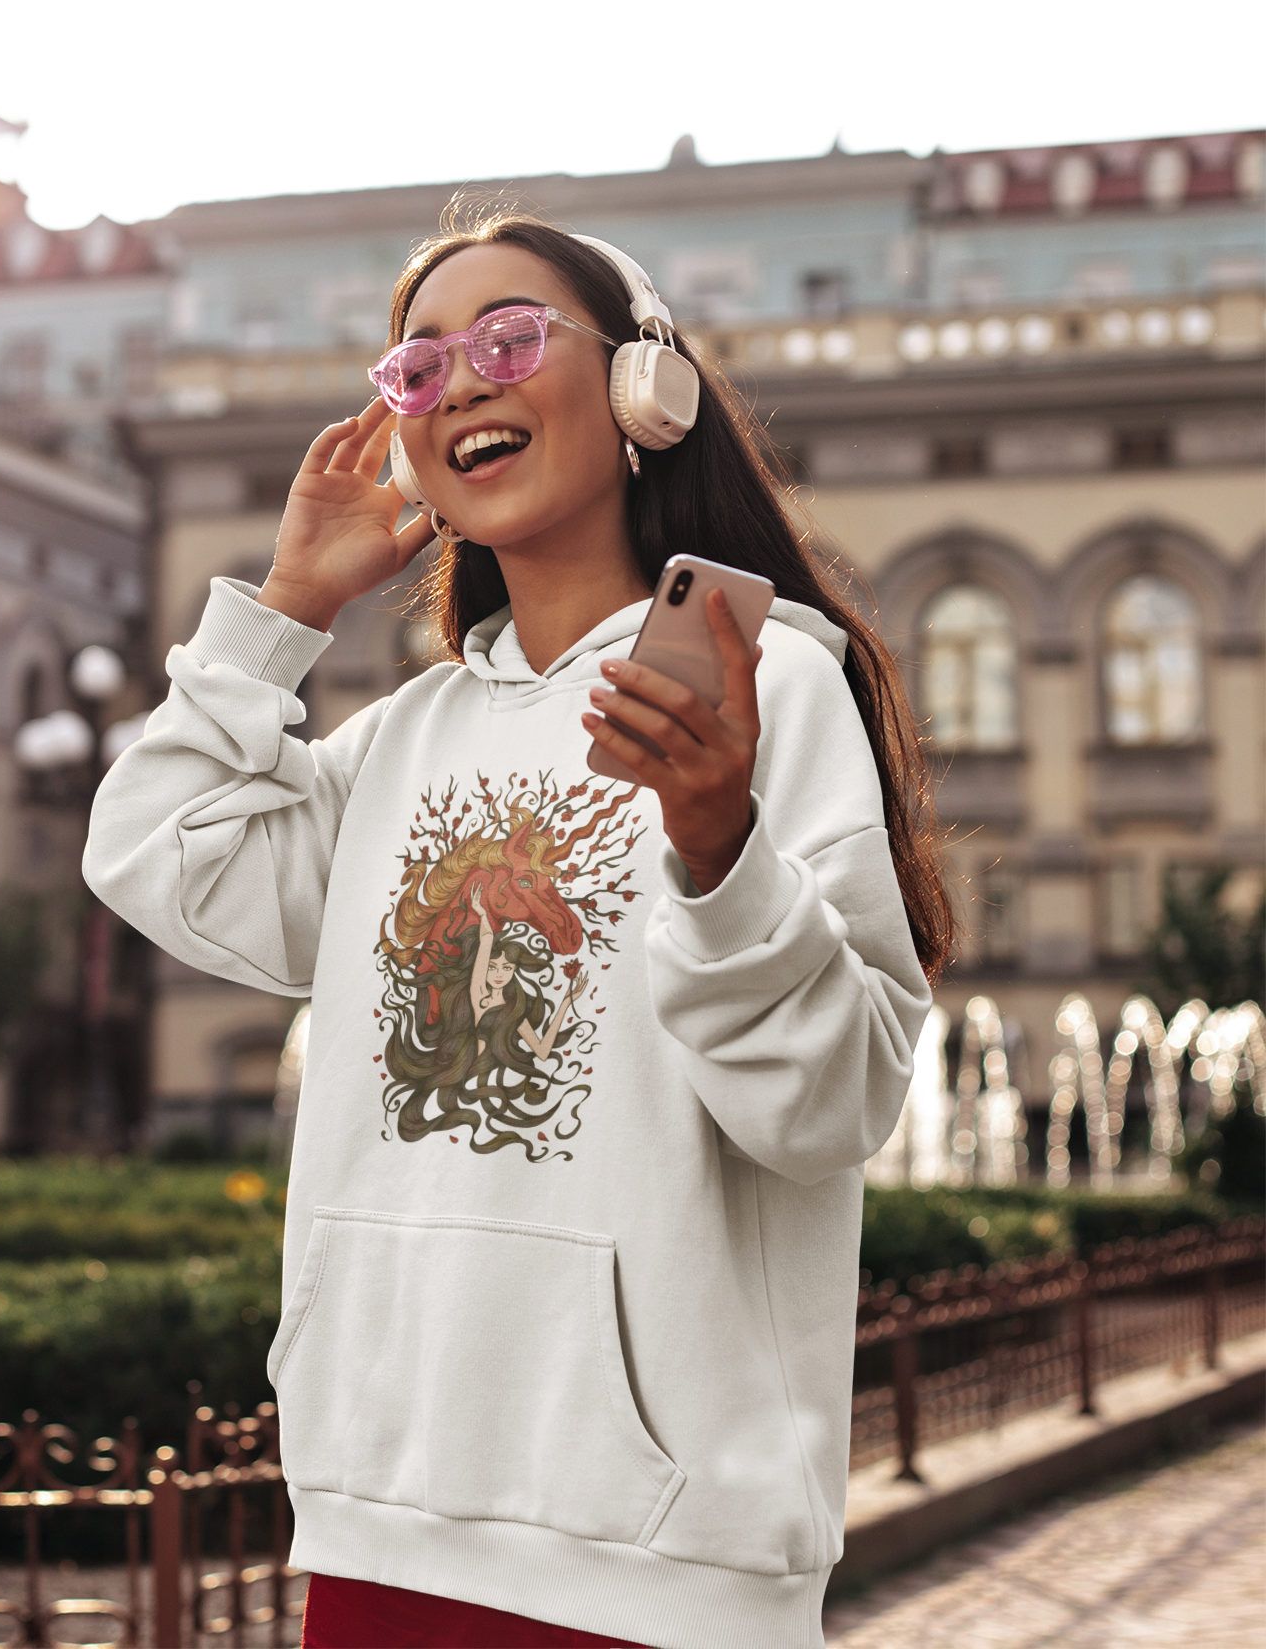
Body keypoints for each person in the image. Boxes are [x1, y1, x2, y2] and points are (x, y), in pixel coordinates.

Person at [83, 211, 951, 1649]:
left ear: (640, 395)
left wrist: (718, 839)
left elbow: (830, 1105)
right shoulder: (397, 742)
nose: (463, 383)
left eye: (509, 339)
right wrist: (285, 609)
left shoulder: (768, 692)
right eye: (419, 368)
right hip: (378, 1517)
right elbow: (158, 851)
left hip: (657, 1559)